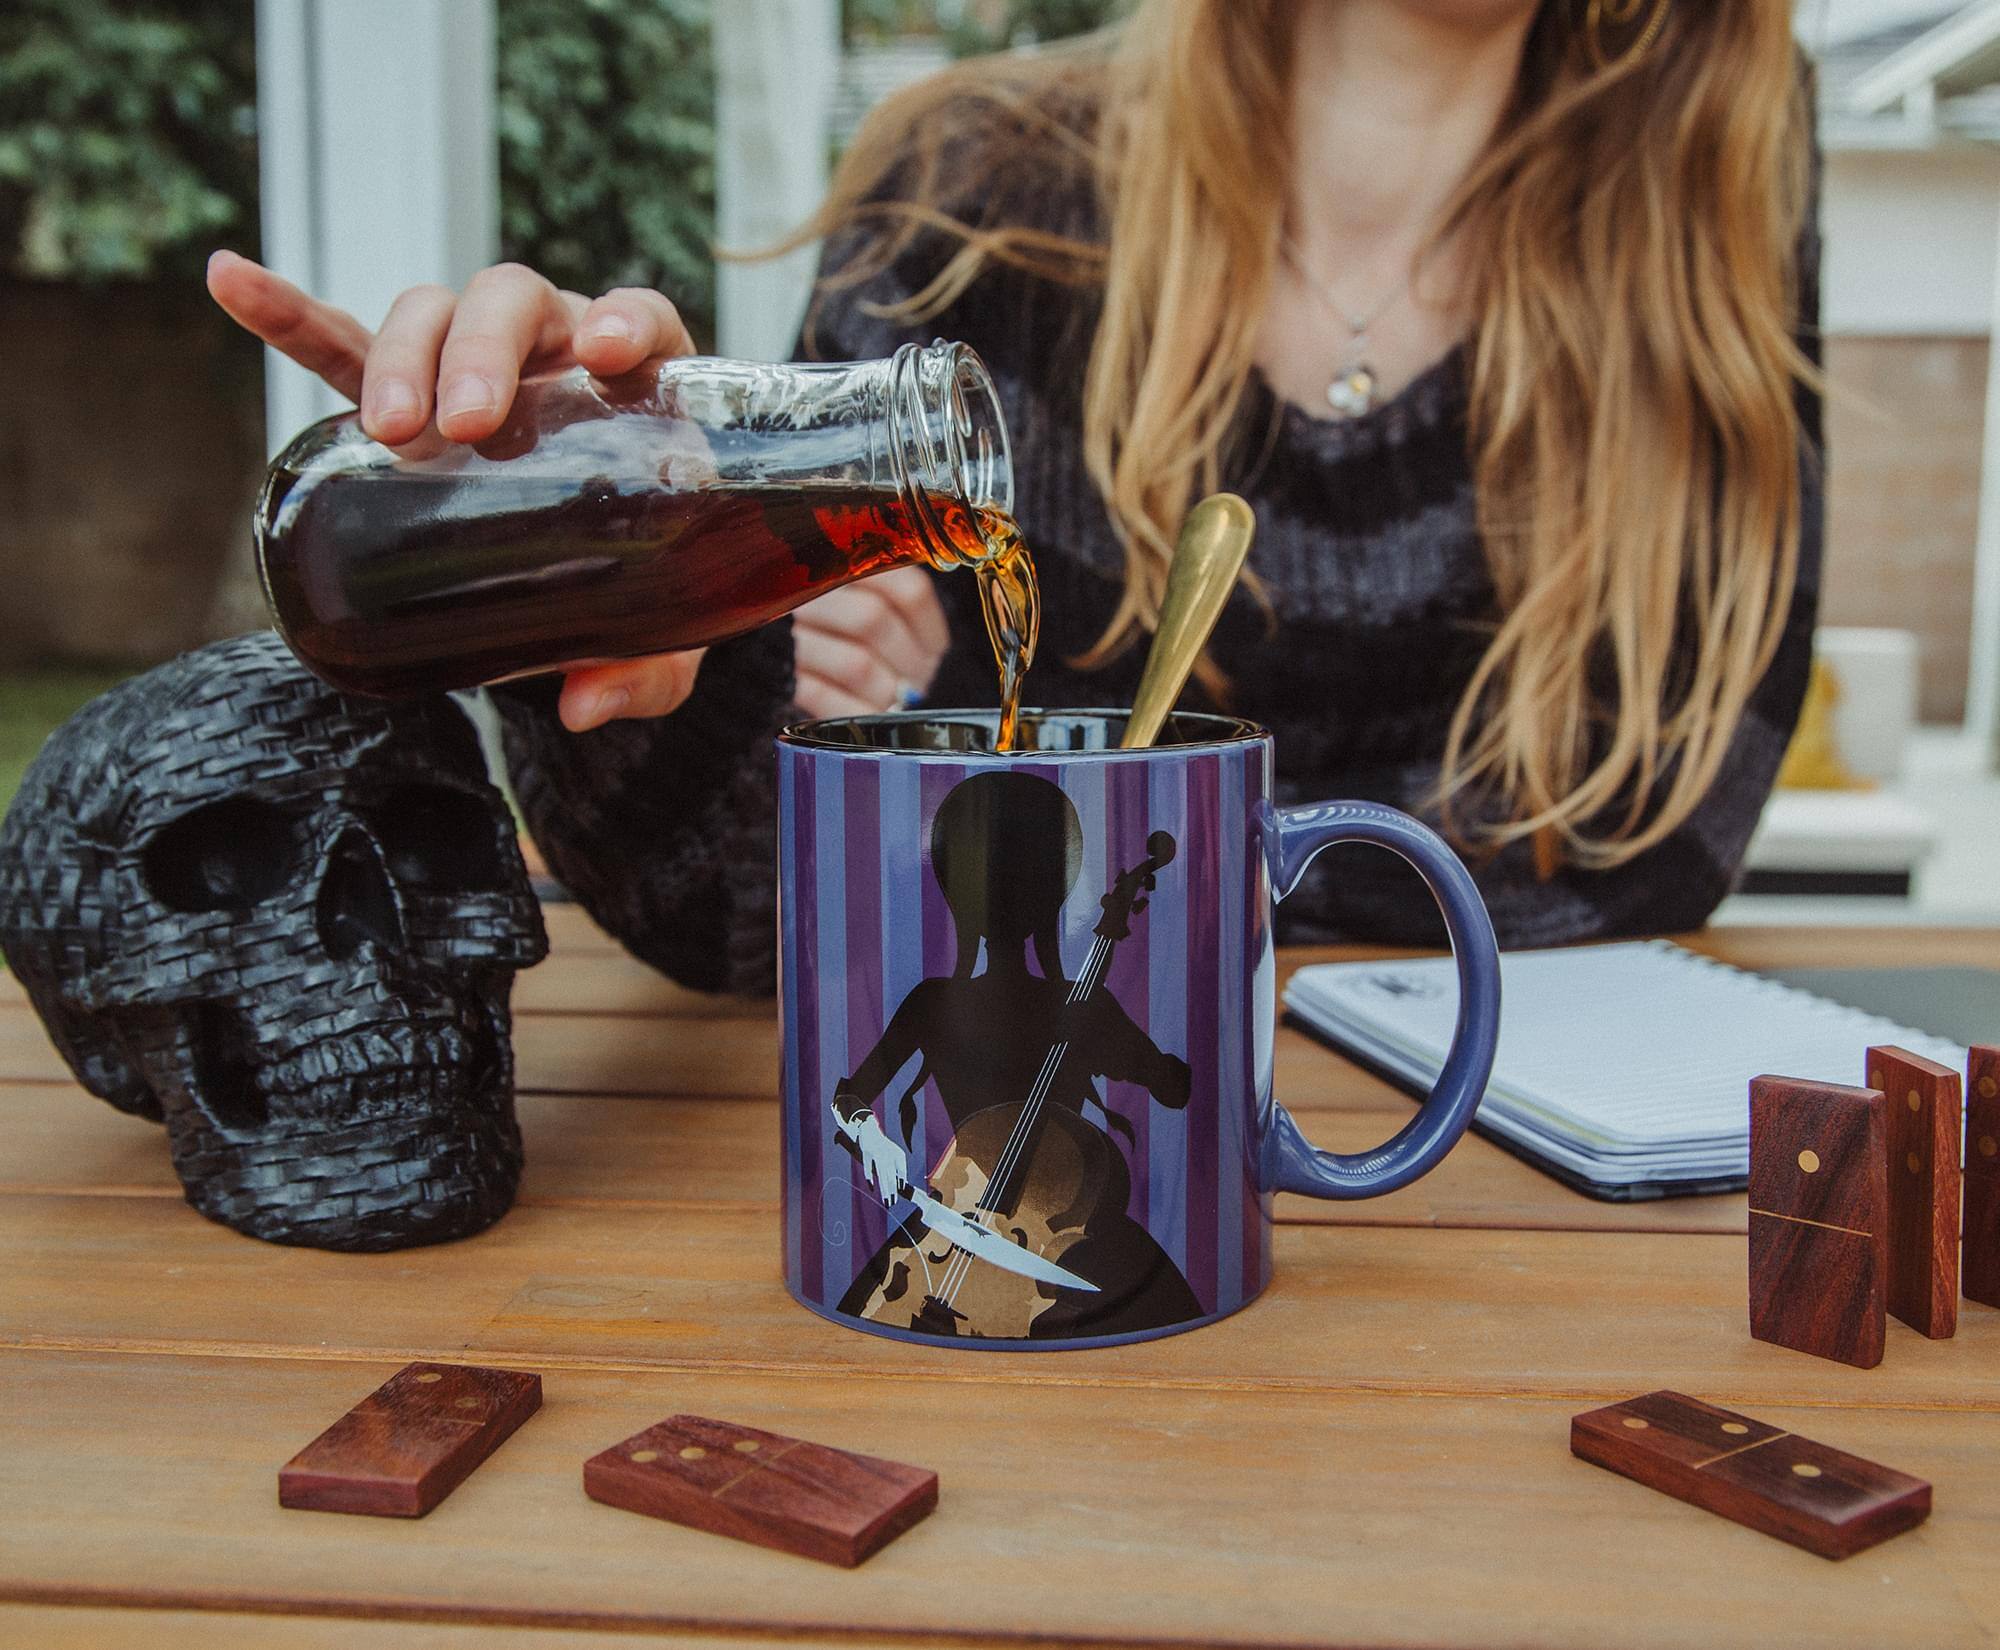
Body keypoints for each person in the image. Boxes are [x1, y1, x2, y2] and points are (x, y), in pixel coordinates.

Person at [208, 0, 1821, 993]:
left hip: (1493, 1207)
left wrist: (1031, 825)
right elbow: (755, 914)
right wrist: (649, 625)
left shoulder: (1711, 257)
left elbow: (1647, 852)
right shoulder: (971, 201)